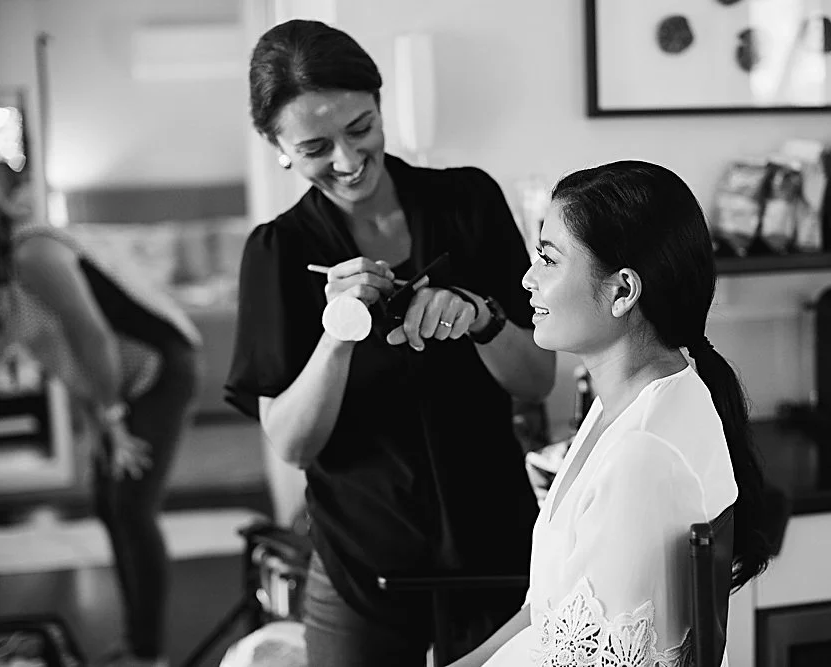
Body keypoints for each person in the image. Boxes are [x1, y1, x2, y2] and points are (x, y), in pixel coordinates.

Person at [225, 19, 556, 667]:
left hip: (499, 545)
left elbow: (536, 379)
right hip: (360, 564)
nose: (348, 162)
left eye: (360, 129)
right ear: (278, 145)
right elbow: (293, 442)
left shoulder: (470, 201)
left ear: (380, 106)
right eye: (317, 146)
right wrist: (336, 335)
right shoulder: (277, 253)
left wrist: (481, 317)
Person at [452, 160, 773, 667]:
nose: (527, 279)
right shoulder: (623, 402)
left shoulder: (640, 457)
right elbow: (547, 611)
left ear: (623, 291)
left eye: (549, 259)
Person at [0, 159, 202, 666]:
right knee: (109, 504)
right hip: (114, 383)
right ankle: (137, 643)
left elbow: (91, 336)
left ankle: (150, 654)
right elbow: (68, 357)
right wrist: (99, 426)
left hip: (158, 370)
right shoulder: (9, 273)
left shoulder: (36, 251)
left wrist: (114, 421)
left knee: (132, 507)